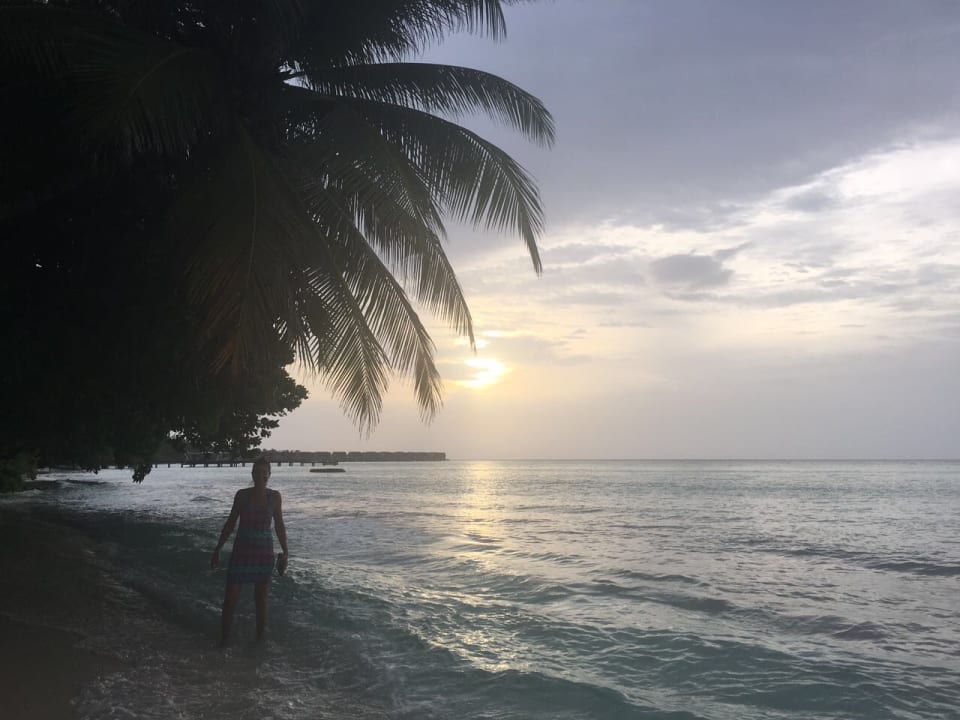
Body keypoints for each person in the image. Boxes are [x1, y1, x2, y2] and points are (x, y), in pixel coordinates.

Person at [211, 457, 288, 646]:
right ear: (252, 474)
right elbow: (230, 523)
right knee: (230, 599)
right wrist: (218, 549)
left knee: (261, 601)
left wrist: (286, 552)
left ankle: (259, 643)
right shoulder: (242, 496)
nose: (261, 476)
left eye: (264, 473)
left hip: (264, 555)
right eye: (257, 472)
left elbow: (279, 525)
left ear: (269, 474)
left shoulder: (274, 497)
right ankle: (224, 642)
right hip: (241, 553)